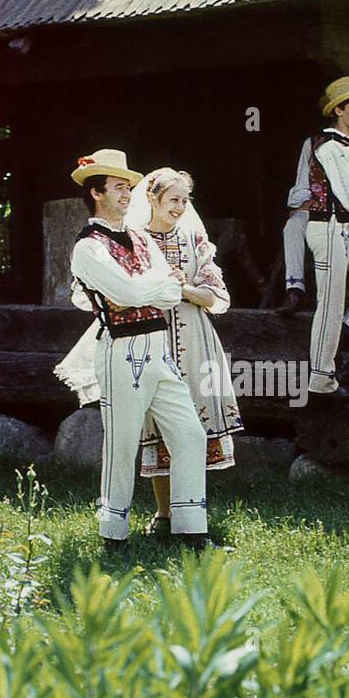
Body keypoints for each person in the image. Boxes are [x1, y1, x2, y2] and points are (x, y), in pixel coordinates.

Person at [67, 148, 211, 548]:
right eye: (118, 187)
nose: (128, 193)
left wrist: (147, 290)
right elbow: (128, 292)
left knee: (189, 435)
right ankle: (113, 532)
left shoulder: (139, 237)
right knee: (122, 444)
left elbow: (168, 289)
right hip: (122, 350)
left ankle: (190, 528)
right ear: (97, 193)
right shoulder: (88, 247)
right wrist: (151, 289)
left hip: (158, 346)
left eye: (129, 186)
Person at [124, 168, 243, 533]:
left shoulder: (194, 240)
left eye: (184, 200)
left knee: (196, 425)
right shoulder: (134, 242)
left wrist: (183, 289)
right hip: (151, 343)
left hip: (195, 343)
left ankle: (191, 509)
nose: (180, 207)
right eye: (173, 199)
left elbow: (217, 297)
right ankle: (164, 513)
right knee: (158, 425)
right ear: (153, 200)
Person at [277, 76, 349, 398]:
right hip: (329, 228)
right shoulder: (330, 145)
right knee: (330, 305)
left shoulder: (348, 146)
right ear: (338, 110)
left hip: (344, 230)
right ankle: (321, 377)